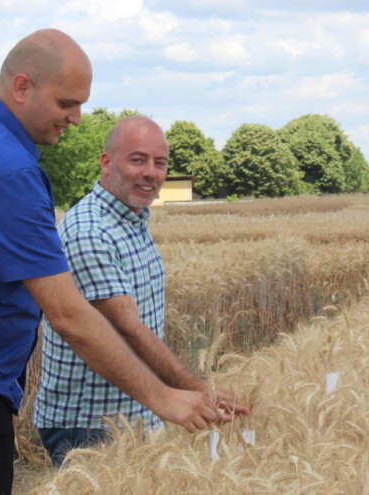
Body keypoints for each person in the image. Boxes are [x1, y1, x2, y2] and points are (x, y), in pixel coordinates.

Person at [0, 30, 232, 495]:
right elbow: (67, 314)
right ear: (23, 87)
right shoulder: (6, 168)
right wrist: (163, 397)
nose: (77, 118)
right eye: (67, 103)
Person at [34, 116, 249, 467]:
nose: (151, 172)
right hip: (91, 425)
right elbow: (126, 328)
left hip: (131, 413)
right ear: (106, 163)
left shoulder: (132, 219)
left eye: (160, 163)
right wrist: (194, 388)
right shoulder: (92, 231)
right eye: (138, 160)